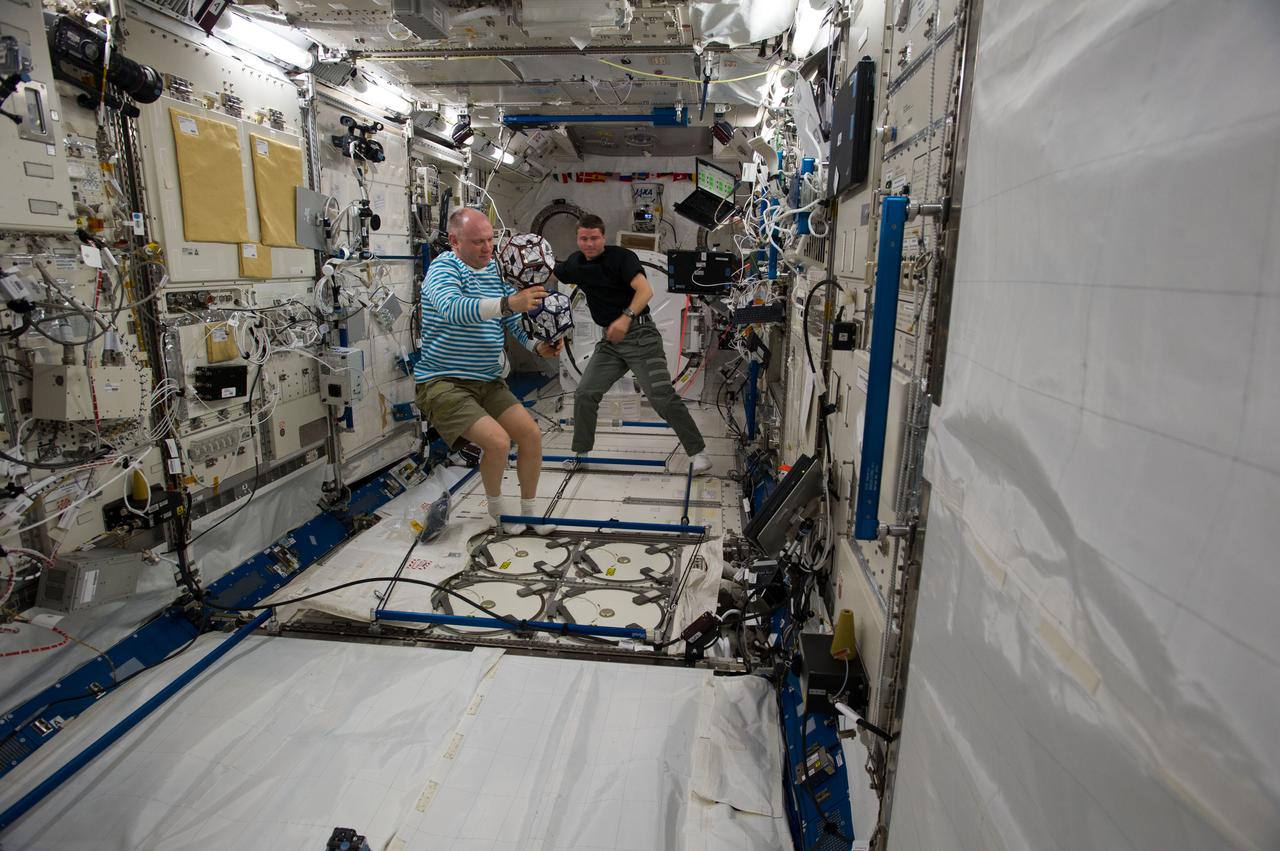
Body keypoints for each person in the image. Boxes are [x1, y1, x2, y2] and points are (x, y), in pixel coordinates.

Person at [415, 207, 563, 533]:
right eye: (478, 241)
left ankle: (529, 513)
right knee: (497, 442)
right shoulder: (443, 269)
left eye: (490, 240)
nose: (487, 248)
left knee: (531, 435)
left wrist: (537, 346)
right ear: (454, 241)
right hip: (444, 382)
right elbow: (454, 309)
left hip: (488, 380)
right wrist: (510, 303)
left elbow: (511, 318)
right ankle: (498, 513)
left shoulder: (494, 270)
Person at [553, 214, 711, 474]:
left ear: (603, 237)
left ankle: (698, 453)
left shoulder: (621, 258)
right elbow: (549, 270)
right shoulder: (575, 264)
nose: (589, 243)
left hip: (641, 336)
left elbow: (645, 291)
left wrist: (625, 318)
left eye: (594, 238)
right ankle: (581, 454)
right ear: (577, 239)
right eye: (584, 238)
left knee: (661, 397)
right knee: (585, 393)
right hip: (610, 342)